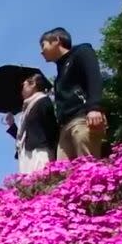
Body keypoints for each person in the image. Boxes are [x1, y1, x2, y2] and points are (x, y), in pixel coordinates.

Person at [39, 27, 106, 160]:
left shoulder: (82, 52)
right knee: (63, 174)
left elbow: (93, 78)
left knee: (88, 164)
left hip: (83, 118)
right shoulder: (59, 75)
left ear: (56, 40)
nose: (41, 52)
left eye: (43, 45)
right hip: (65, 126)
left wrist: (94, 108)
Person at [2, 73, 58, 174]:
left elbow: (50, 128)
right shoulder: (27, 109)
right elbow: (26, 135)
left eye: (24, 85)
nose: (21, 90)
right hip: (26, 153)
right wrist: (12, 124)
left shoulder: (42, 101)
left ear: (33, 84)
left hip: (40, 151)